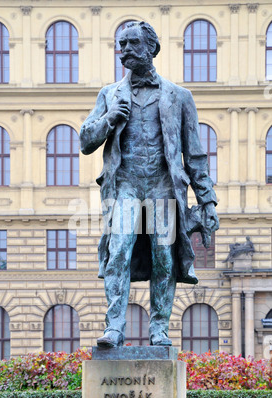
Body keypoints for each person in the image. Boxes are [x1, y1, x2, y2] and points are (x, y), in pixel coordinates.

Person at [80, 21, 219, 348]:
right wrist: (109, 118)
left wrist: (208, 201)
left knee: (163, 258)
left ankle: (159, 329)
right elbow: (86, 140)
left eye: (131, 44)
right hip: (125, 188)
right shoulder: (109, 95)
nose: (124, 50)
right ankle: (114, 328)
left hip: (163, 191)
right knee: (118, 253)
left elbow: (195, 155)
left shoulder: (179, 96)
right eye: (121, 44)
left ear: (151, 49)